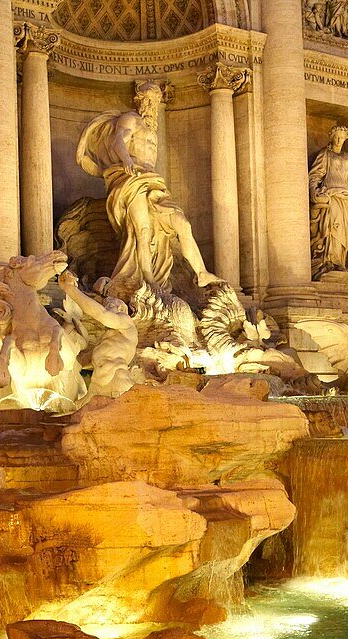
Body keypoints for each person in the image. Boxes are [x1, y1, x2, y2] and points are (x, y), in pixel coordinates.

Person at [76, 81, 221, 295]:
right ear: (140, 101)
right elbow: (118, 140)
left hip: (153, 181)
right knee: (141, 231)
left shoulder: (152, 130)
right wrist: (126, 160)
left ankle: (201, 272)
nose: (152, 105)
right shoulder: (130, 120)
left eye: (155, 101)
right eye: (148, 100)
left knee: (181, 223)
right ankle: (149, 283)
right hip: (129, 178)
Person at [58, 270, 138, 402]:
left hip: (117, 379)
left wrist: (70, 289)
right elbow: (81, 361)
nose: (107, 308)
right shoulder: (105, 340)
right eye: (106, 306)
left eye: (110, 306)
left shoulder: (126, 323)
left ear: (122, 309)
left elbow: (102, 314)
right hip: (97, 384)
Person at [308, 123, 348, 278]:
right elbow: (315, 175)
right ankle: (328, 261)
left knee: (344, 231)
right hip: (331, 196)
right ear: (332, 137)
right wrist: (314, 191)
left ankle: (340, 262)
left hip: (345, 200)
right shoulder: (325, 155)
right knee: (331, 229)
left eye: (341, 138)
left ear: (345, 139)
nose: (338, 140)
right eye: (336, 137)